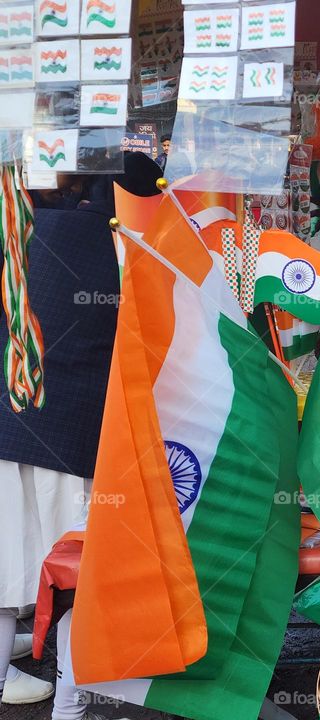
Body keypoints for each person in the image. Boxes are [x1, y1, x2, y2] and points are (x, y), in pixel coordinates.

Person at [0, 154, 159, 718]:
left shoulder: (32, 228)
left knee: (8, 570)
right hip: (76, 441)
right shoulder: (125, 250)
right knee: (76, 581)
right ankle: (70, 709)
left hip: (11, 425)